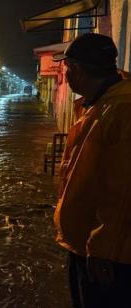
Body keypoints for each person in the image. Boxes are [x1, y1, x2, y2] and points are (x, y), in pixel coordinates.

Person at [53, 33, 131, 307]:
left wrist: (102, 249)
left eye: (67, 68)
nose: (66, 74)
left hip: (106, 255)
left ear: (76, 69)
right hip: (89, 243)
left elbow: (122, 190)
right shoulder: (101, 103)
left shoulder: (120, 110)